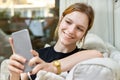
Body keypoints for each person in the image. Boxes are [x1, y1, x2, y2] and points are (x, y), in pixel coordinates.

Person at [8, 3, 103, 80]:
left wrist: (53, 67)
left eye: (79, 28)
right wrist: (14, 75)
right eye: (68, 22)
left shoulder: (83, 56)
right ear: (60, 20)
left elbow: (98, 54)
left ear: (84, 34)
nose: (71, 31)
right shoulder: (38, 55)